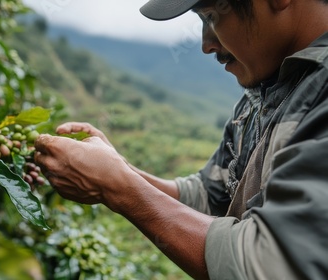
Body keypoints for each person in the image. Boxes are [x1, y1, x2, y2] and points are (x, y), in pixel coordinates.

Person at [34, 0, 328, 278]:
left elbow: (268, 266)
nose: (207, 44)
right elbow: (211, 196)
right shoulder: (268, 86)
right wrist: (119, 169)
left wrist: (119, 187)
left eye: (212, 15)